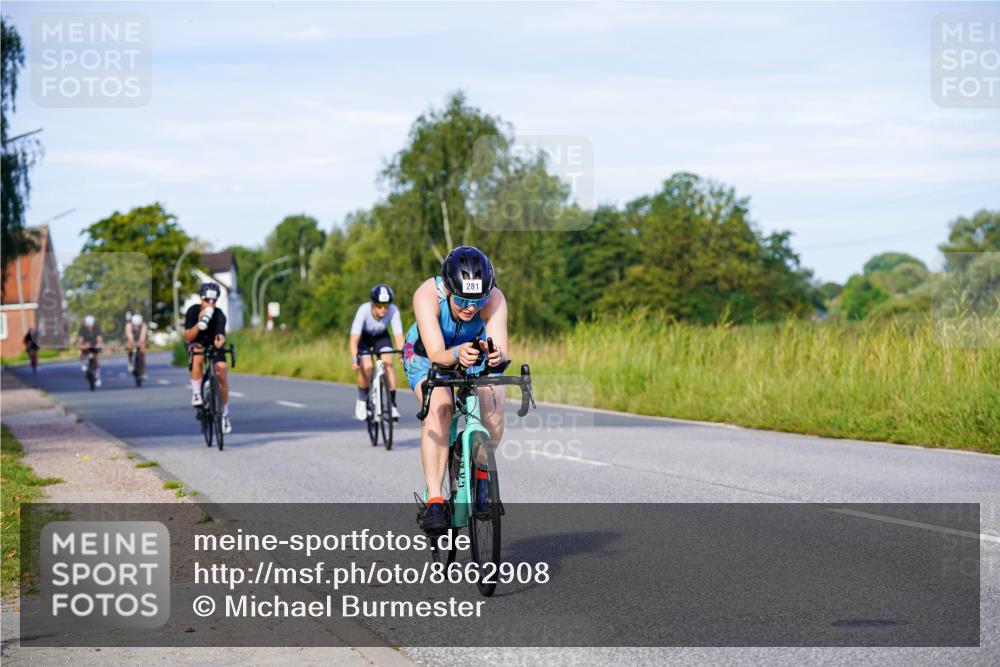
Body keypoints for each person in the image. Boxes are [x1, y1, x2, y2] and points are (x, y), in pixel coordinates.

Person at [403, 246, 509, 532]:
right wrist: (456, 353)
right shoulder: (427, 294)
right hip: (426, 355)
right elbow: (437, 354)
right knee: (441, 409)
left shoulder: (495, 299)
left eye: (478, 301)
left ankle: (482, 477)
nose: (470, 308)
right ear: (448, 289)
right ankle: (435, 500)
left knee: (495, 406)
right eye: (462, 300)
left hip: (472, 354)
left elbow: (500, 353)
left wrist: (496, 355)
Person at [349, 284, 405, 421]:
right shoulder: (363, 310)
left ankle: (392, 404)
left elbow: (398, 336)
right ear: (372, 304)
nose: (383, 310)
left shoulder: (393, 310)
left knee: (388, 364)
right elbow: (354, 338)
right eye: (379, 306)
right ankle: (362, 400)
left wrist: (402, 355)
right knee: (367, 367)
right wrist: (354, 359)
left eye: (386, 306)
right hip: (364, 338)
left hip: (381, 337)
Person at [184, 282, 231, 434]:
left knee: (222, 371)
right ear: (201, 299)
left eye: (214, 301)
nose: (210, 303)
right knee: (197, 356)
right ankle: (197, 393)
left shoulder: (219, 314)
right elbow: (188, 336)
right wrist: (199, 323)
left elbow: (220, 335)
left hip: (213, 345)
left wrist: (220, 340)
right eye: (207, 300)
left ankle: (225, 413)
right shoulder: (193, 311)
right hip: (197, 343)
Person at [77, 315, 104, 386]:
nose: (89, 327)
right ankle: (84, 362)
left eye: (90, 325)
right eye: (88, 325)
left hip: (94, 345)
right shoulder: (82, 329)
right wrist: (82, 346)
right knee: (82, 350)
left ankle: (98, 376)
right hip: (86, 345)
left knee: (96, 358)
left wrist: (98, 345)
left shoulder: (96, 328)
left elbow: (99, 339)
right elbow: (80, 340)